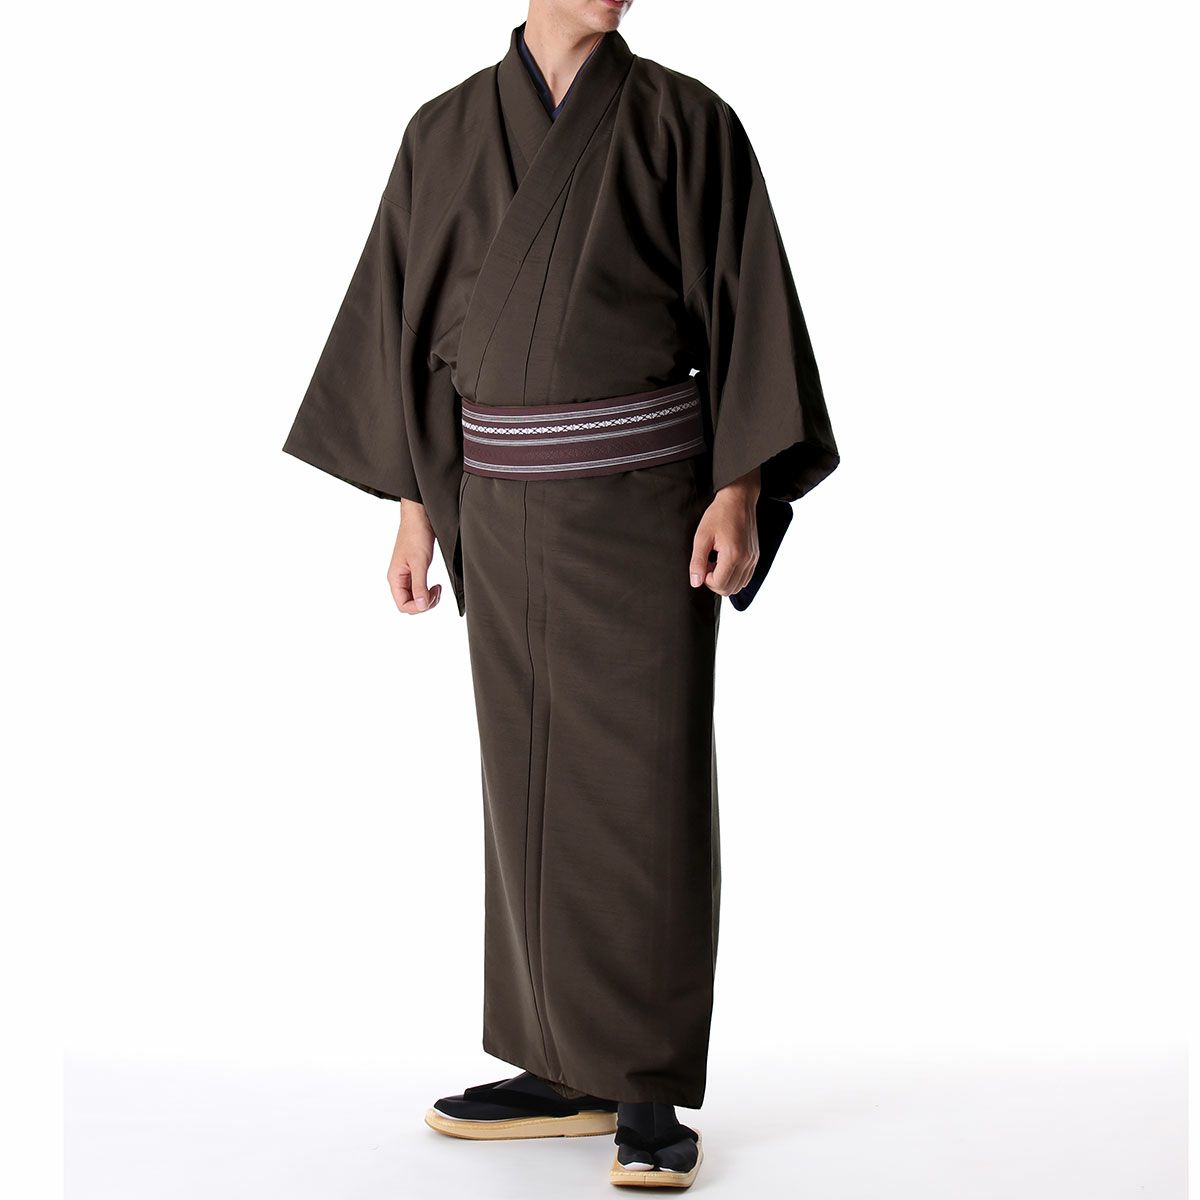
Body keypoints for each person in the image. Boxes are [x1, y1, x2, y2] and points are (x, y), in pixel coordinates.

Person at [283, 0, 838, 1187]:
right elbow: (402, 323)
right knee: (527, 791)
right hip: (497, 510)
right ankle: (562, 1064)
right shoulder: (442, 133)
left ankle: (644, 1084)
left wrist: (738, 490)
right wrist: (415, 510)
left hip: (645, 511)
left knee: (642, 793)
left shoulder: (686, 121)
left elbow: (748, 314)